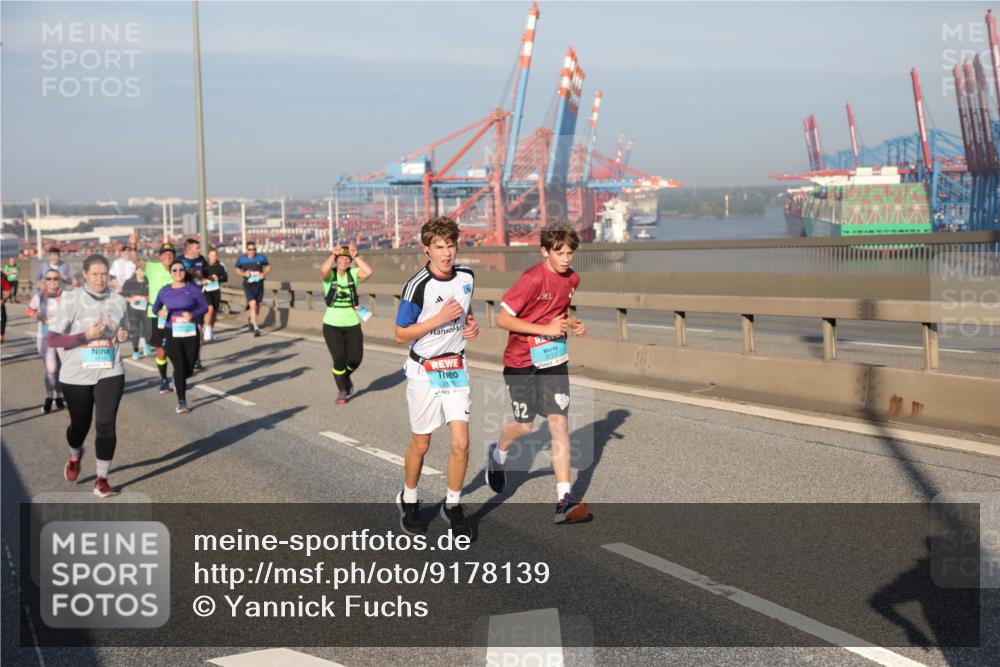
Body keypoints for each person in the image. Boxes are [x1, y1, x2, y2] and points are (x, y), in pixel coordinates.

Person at [485, 222, 590, 524]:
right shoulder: (531, 279)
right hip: (521, 362)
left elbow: (560, 312)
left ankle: (564, 498)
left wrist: (573, 323)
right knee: (525, 426)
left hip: (553, 359)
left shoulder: (573, 279)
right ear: (545, 251)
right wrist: (543, 329)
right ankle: (498, 452)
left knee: (559, 423)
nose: (567, 258)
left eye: (570, 252)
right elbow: (503, 319)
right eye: (560, 253)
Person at [393, 218, 479, 537]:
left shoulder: (467, 276)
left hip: (454, 367)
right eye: (439, 247)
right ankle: (410, 498)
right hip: (423, 371)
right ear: (426, 249)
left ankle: (452, 504)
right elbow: (401, 334)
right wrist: (439, 319)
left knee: (461, 442)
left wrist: (470, 325)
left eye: (451, 246)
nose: (446, 253)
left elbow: (466, 313)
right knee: (422, 443)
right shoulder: (418, 286)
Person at [46, 254, 130, 498]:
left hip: (110, 368)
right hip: (76, 373)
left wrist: (123, 335)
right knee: (79, 427)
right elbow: (53, 339)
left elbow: (123, 330)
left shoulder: (118, 300)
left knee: (106, 423)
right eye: (95, 274)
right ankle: (74, 456)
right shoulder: (71, 300)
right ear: (85, 275)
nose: (100, 278)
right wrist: (85, 335)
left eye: (104, 273)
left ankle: (102, 479)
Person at [320, 242, 373, 404]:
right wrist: (332, 254)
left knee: (356, 358)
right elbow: (323, 271)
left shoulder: (353, 274)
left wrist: (356, 256)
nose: (344, 261)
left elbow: (368, 272)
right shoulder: (331, 276)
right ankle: (342, 389)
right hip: (331, 324)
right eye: (341, 259)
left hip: (352, 323)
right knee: (339, 358)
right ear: (337, 260)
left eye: (347, 259)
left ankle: (344, 375)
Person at [153, 259, 208, 414]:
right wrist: (159, 312)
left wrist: (193, 314)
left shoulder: (193, 289)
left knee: (188, 369)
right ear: (170, 273)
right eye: (175, 270)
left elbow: (204, 307)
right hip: (172, 332)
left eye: (181, 270)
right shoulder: (164, 291)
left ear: (185, 272)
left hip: (190, 332)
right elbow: (156, 307)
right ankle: (182, 402)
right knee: (179, 366)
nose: (178, 272)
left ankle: (179, 378)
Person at [26, 268, 66, 413]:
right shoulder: (39, 297)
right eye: (49, 279)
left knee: (64, 369)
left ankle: (59, 397)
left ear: (59, 280)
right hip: (45, 336)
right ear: (45, 281)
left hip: (63, 336)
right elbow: (29, 310)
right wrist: (39, 317)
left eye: (55, 278)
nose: (52, 281)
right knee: (51, 369)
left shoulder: (67, 296)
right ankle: (50, 397)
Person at [146, 244, 176, 394]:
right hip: (156, 315)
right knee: (162, 350)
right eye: (165, 254)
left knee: (176, 348)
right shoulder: (152, 268)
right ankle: (164, 379)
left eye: (171, 254)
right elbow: (135, 261)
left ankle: (178, 375)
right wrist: (133, 247)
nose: (168, 256)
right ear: (160, 257)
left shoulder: (178, 270)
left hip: (175, 316)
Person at [180, 238, 209, 369]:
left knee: (199, 331)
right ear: (189, 249)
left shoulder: (201, 260)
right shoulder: (180, 261)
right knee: (185, 331)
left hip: (198, 300)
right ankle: (184, 356)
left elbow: (206, 274)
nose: (199, 250)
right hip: (183, 301)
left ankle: (197, 358)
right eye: (197, 248)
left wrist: (206, 279)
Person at [234, 241, 270, 337]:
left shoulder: (261, 257)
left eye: (254, 249)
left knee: (257, 307)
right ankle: (256, 328)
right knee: (253, 304)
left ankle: (251, 320)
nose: (252, 251)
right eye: (250, 249)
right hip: (248, 285)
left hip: (259, 284)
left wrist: (264, 273)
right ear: (247, 250)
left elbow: (268, 266)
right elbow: (237, 269)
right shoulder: (242, 259)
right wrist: (244, 274)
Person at [120, 265, 151, 359]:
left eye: (144, 271)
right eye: (140, 271)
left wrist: (148, 298)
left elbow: (154, 293)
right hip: (133, 309)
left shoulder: (149, 281)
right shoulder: (129, 282)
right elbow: (122, 295)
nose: (142, 273)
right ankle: (136, 351)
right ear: (136, 271)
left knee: (148, 329)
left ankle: (147, 346)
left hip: (146, 308)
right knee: (135, 330)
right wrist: (130, 299)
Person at [201, 247, 228, 342]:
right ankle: (206, 333)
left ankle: (210, 331)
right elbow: (199, 277)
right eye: (211, 255)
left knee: (214, 313)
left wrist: (218, 278)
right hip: (206, 291)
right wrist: (203, 280)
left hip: (216, 291)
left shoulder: (220, 266)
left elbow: (225, 278)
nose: (213, 257)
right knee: (210, 310)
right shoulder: (204, 266)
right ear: (208, 256)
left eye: (215, 255)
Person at [1, 273, 9, 344]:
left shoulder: (2, 279)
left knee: (3, 318)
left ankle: (1, 334)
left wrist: (3, 300)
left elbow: (7, 290)